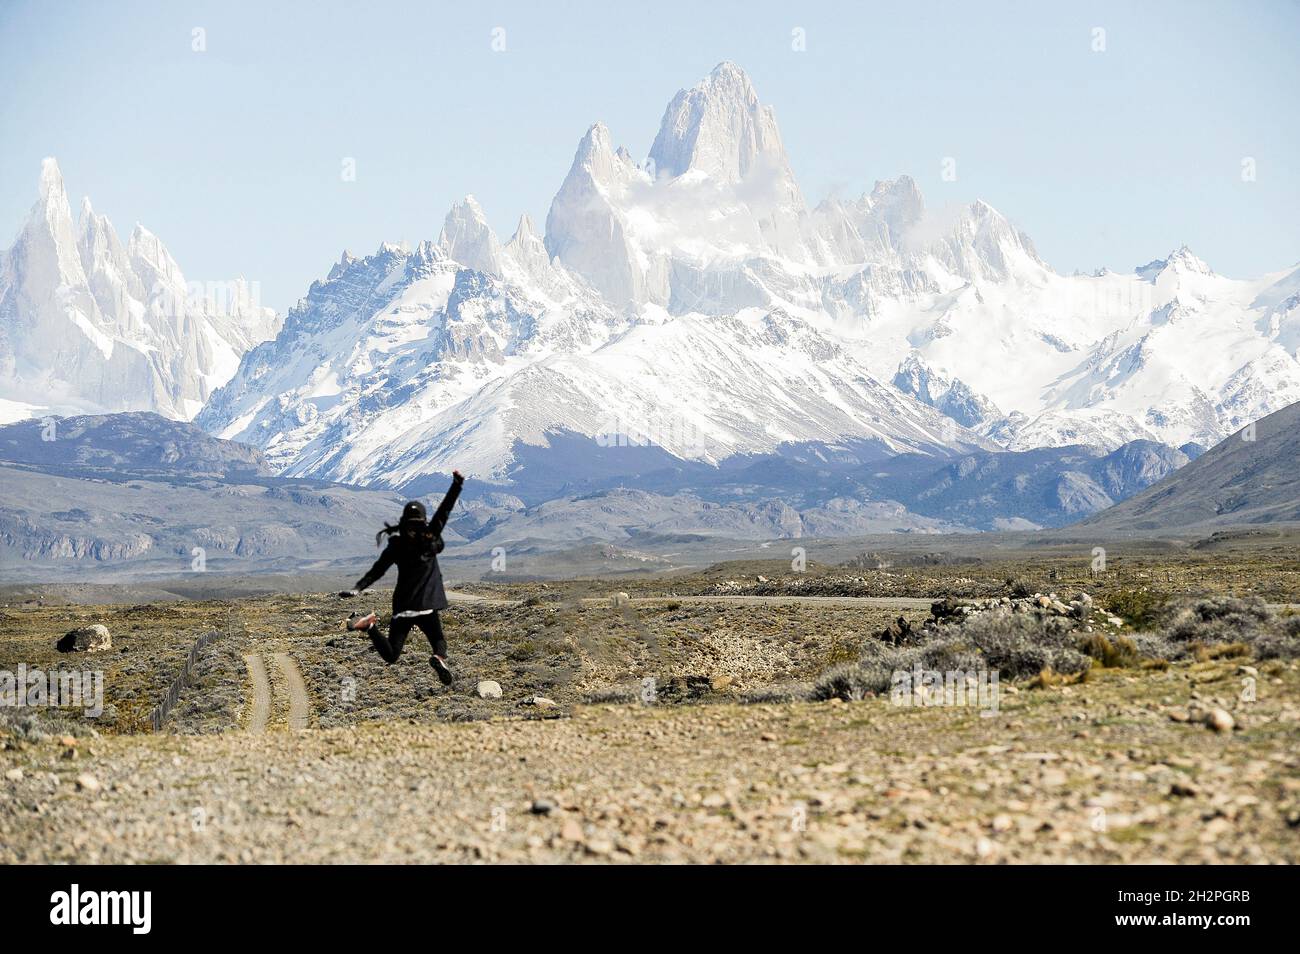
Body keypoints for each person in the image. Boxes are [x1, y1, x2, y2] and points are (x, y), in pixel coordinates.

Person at [338, 471, 464, 685]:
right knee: (439, 641)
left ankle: (369, 626)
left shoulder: (396, 544)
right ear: (423, 520)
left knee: (392, 655)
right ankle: (438, 658)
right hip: (426, 607)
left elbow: (378, 570)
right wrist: (456, 484)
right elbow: (445, 510)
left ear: (404, 520)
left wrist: (358, 588)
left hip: (403, 608)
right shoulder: (430, 536)